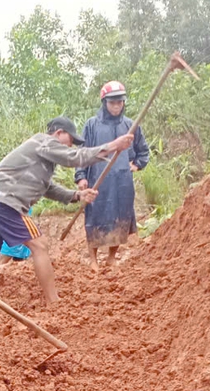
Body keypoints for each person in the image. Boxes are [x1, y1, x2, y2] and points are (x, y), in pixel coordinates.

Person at [0, 116, 133, 305]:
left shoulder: (39, 155)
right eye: (70, 141)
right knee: (39, 245)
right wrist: (113, 145)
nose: (71, 146)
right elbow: (75, 158)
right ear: (58, 133)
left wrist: (77, 195)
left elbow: (47, 188)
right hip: (4, 201)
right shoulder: (44, 141)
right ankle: (53, 302)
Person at [75, 81, 150, 271]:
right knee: (94, 217)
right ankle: (93, 259)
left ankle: (111, 257)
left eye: (120, 103)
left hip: (122, 182)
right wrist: (81, 177)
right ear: (104, 103)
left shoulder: (130, 126)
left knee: (120, 216)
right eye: (112, 103)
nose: (116, 106)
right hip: (97, 179)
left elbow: (143, 151)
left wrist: (136, 165)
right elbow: (82, 153)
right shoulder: (92, 125)